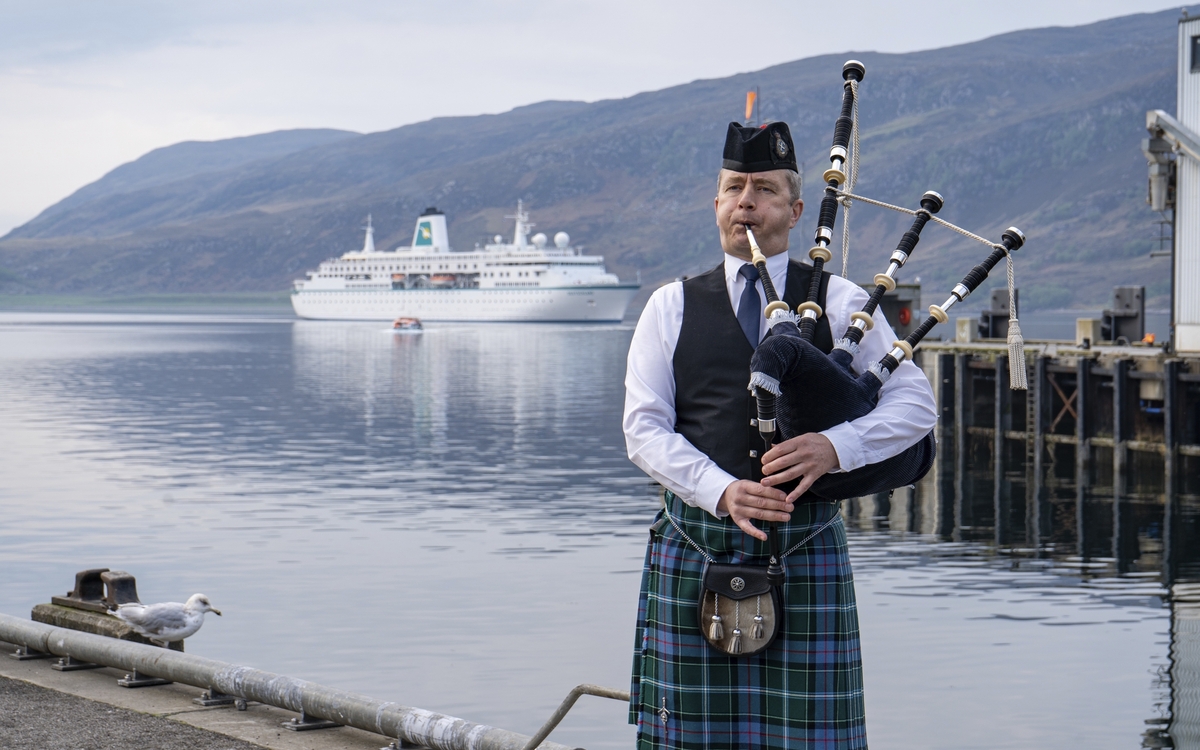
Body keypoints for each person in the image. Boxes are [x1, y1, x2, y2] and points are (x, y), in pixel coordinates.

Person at [623, 121, 937, 749]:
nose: (746, 202)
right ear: (716, 204)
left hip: (804, 543)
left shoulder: (843, 301)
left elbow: (915, 404)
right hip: (697, 540)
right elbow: (644, 429)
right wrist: (718, 490)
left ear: (795, 212)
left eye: (764, 189)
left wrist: (836, 447)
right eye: (733, 188)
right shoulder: (670, 305)